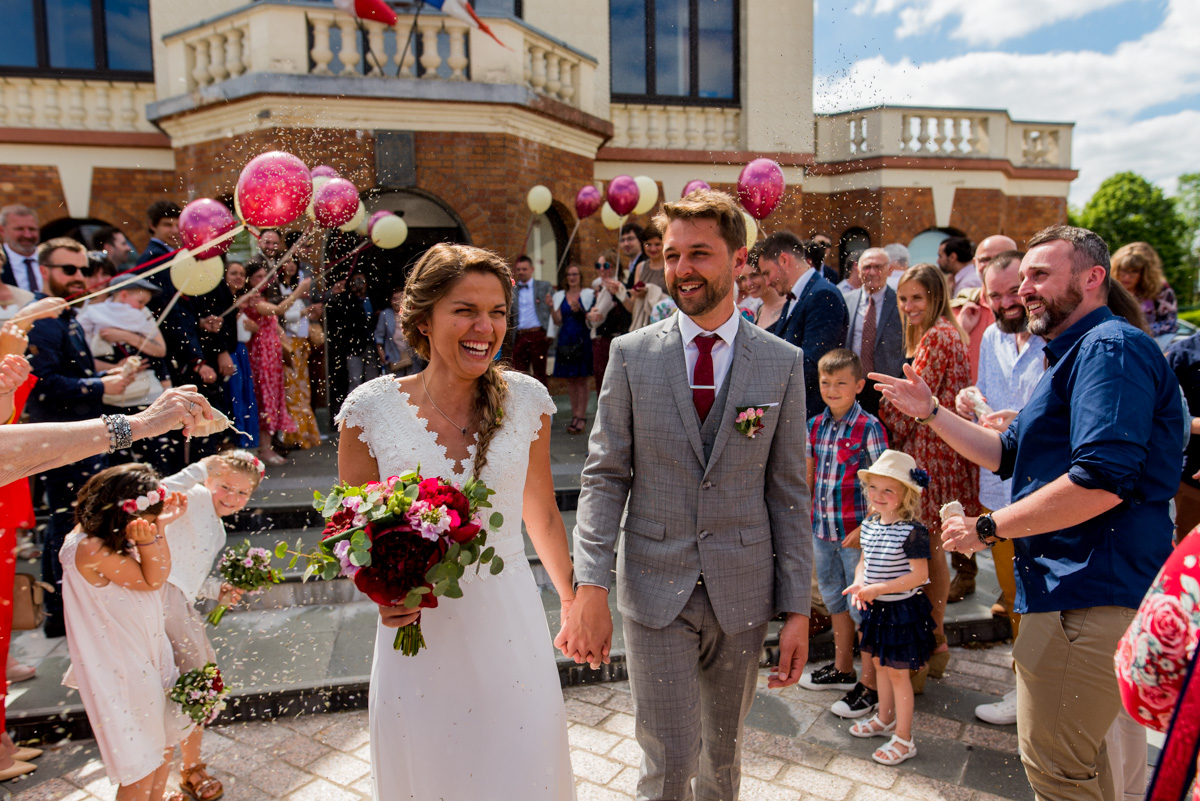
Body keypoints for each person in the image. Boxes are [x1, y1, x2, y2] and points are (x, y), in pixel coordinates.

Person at [875, 225, 1183, 801]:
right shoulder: (1072, 354)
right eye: (1023, 279)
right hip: (1076, 592)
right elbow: (1005, 454)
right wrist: (933, 412)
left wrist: (987, 527)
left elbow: (1103, 480)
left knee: (1058, 772)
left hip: (1087, 593)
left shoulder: (1107, 349)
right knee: (1101, 771)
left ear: (1093, 279)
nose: (1024, 290)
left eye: (1040, 275)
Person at [561, 189, 812, 800]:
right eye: (672, 255)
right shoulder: (630, 355)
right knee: (667, 765)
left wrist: (799, 606)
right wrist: (589, 583)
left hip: (743, 589)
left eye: (699, 253)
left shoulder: (781, 362)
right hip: (653, 585)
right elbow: (603, 476)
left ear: (740, 259)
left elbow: (788, 493)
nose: (682, 269)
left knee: (722, 763)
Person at [336, 243, 576, 799]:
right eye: (465, 310)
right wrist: (381, 592)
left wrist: (572, 599)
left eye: (496, 312)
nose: (485, 327)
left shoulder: (526, 401)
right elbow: (351, 532)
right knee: (433, 772)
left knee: (520, 768)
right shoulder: (369, 410)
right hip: (418, 629)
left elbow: (539, 511)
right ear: (423, 319)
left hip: (509, 618)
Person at [60, 464, 193, 801]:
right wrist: (154, 538)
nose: (147, 528)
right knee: (140, 764)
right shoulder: (89, 548)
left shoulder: (103, 540)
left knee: (162, 742)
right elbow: (154, 578)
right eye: (145, 521)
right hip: (123, 665)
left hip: (144, 653)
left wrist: (157, 527)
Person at [27, 238, 134, 638]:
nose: (78, 278)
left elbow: (71, 373)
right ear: (45, 272)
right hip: (59, 443)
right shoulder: (41, 320)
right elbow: (45, 386)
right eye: (67, 270)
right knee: (64, 524)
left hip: (86, 438)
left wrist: (105, 376)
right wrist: (99, 386)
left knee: (82, 521)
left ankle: (76, 604)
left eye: (82, 270)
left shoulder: (67, 314)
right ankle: (61, 613)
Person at [878, 262, 975, 680]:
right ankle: (932, 645)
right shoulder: (949, 334)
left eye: (917, 297)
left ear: (935, 296)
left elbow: (911, 409)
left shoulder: (936, 337)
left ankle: (931, 643)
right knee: (931, 549)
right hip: (941, 451)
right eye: (903, 298)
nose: (908, 305)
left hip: (929, 454)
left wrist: (881, 420)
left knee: (928, 551)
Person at [161, 450, 262, 801]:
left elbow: (191, 574)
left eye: (242, 493)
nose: (232, 498)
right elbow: (152, 495)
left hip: (180, 607)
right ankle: (158, 777)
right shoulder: (192, 496)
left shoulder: (218, 530)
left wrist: (216, 589)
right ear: (209, 481)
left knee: (194, 687)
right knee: (174, 687)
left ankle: (191, 766)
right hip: (155, 603)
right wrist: (197, 470)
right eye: (225, 486)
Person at [802, 349, 888, 721]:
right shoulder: (814, 425)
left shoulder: (869, 427)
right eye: (825, 382)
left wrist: (864, 527)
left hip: (856, 535)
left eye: (841, 383)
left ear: (857, 385)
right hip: (822, 531)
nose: (832, 389)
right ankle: (843, 668)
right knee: (835, 600)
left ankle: (869, 685)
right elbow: (808, 477)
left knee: (862, 609)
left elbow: (884, 486)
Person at [845, 449, 936, 767]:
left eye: (888, 490)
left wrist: (877, 589)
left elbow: (920, 575)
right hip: (876, 609)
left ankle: (904, 738)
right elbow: (864, 563)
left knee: (899, 674)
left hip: (901, 611)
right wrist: (860, 583)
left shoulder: (913, 531)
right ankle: (884, 718)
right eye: (874, 488)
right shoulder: (870, 525)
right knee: (880, 666)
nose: (878, 496)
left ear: (906, 496)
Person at [756, 231, 850, 419]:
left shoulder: (824, 295)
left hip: (811, 414)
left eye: (767, 273)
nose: (766, 282)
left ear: (784, 260)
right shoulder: (796, 296)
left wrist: (763, 377)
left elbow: (812, 364)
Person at [243, 260, 305, 465]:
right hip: (261, 356)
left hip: (272, 356)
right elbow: (278, 310)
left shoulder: (260, 298)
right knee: (265, 398)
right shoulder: (252, 301)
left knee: (274, 397)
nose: (262, 281)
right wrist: (299, 291)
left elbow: (274, 322)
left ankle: (269, 445)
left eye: (264, 276)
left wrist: (282, 337)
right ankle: (264, 448)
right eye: (257, 277)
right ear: (249, 280)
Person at [842, 248, 903, 417]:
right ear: (858, 269)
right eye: (867, 267)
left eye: (878, 267)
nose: (872, 272)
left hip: (886, 389)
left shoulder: (901, 303)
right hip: (851, 384)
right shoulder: (846, 300)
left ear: (889, 270)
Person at [274, 257, 321, 450]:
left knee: (303, 391)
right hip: (287, 344)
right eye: (287, 262)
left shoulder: (296, 288)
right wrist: (302, 312)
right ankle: (293, 435)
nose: (291, 265)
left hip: (301, 344)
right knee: (291, 391)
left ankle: (305, 434)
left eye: (295, 262)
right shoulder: (278, 289)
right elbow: (279, 314)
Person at [551, 263, 594, 434]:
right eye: (569, 274)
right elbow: (557, 321)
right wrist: (549, 306)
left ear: (580, 277)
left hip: (582, 340)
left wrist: (580, 310)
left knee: (582, 379)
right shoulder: (561, 296)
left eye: (575, 274)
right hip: (565, 340)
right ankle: (574, 414)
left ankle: (581, 416)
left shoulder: (588, 294)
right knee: (570, 379)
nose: (572, 277)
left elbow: (590, 317)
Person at [224, 262, 259, 449]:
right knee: (235, 396)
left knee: (245, 396)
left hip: (242, 351)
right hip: (231, 352)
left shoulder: (239, 299)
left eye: (241, 273)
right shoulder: (225, 300)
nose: (238, 277)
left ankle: (245, 440)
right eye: (233, 273)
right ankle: (235, 441)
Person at [1112, 241, 1178, 340]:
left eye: (1134, 271)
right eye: (1124, 270)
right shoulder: (1106, 289)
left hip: (1150, 340)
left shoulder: (1160, 290)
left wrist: (1139, 332)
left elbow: (1170, 323)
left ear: (1145, 273)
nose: (1127, 276)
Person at [586, 249, 631, 386]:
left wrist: (620, 293)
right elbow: (590, 315)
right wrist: (589, 315)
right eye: (598, 266)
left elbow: (629, 311)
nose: (602, 270)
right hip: (599, 341)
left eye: (606, 266)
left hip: (617, 340)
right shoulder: (598, 288)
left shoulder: (621, 286)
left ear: (614, 267)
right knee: (601, 383)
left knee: (616, 384)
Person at [508, 255, 553, 385]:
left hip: (538, 334)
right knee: (519, 374)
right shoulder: (512, 290)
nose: (521, 272)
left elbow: (553, 309)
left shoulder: (543, 286)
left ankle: (543, 404)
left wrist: (550, 334)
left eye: (524, 269)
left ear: (532, 269)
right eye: (519, 269)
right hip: (520, 335)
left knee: (540, 374)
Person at [375, 286, 423, 377]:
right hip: (394, 355)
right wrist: (381, 353)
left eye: (400, 298)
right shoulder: (385, 314)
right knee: (396, 384)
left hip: (412, 355)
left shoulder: (410, 312)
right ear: (390, 300)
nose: (397, 301)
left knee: (415, 381)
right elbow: (379, 336)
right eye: (394, 299)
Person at [0, 205, 43, 293]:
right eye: (19, 229)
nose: (27, 235)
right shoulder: (1, 262)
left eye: (32, 229)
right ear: (2, 230)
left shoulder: (51, 259)